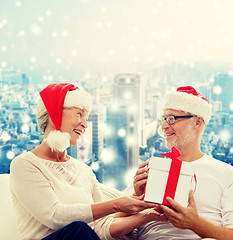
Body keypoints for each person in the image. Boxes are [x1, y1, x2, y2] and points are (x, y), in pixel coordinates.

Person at [10, 83, 167, 240]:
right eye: (79, 114)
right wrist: (116, 204)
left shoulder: (83, 170)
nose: (85, 125)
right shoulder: (25, 164)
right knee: (78, 229)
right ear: (55, 113)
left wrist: (148, 215)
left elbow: (101, 227)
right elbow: (55, 217)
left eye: (86, 118)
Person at [133, 86, 233, 240]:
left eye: (171, 119)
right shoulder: (153, 169)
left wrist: (195, 223)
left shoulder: (227, 174)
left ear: (197, 123)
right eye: (163, 120)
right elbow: (113, 221)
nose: (163, 127)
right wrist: (136, 196)